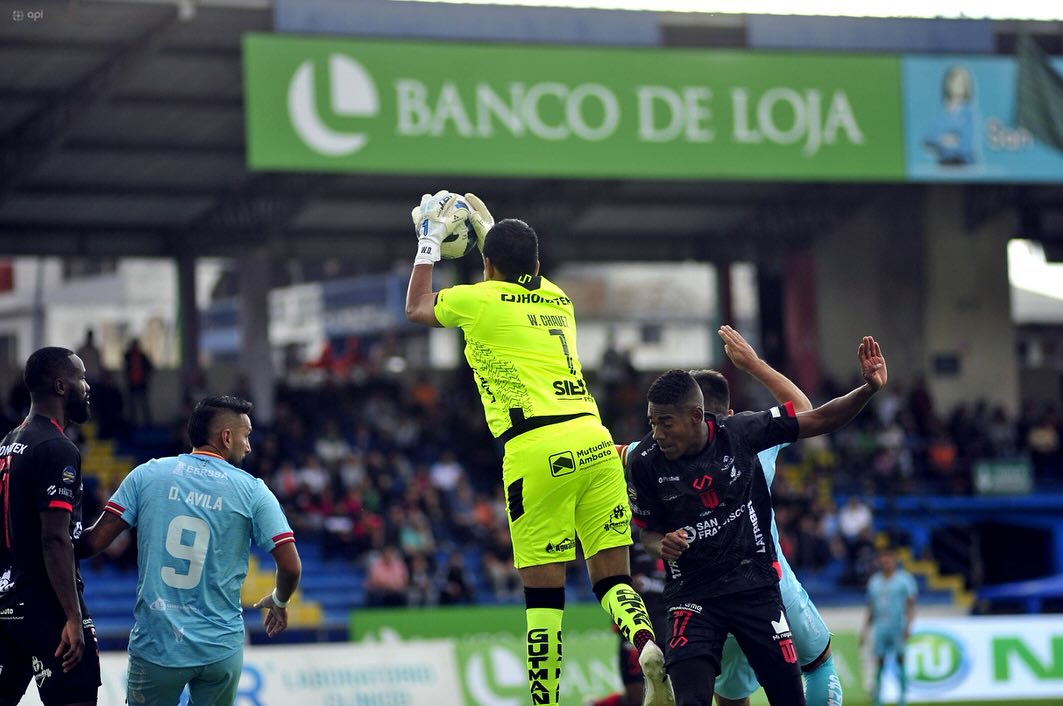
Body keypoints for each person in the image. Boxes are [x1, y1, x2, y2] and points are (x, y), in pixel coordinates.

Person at [405, 190, 672, 706]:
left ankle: (545, 701)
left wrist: (429, 242)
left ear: (485, 266)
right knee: (613, 577)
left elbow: (417, 306)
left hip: (535, 447)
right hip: (595, 438)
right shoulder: (558, 300)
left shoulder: (477, 300)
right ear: (538, 263)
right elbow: (516, 272)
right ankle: (645, 642)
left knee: (543, 599)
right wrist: (489, 230)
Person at [629, 336, 887, 706]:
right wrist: (753, 364)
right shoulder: (733, 438)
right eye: (653, 424)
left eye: (665, 423)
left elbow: (612, 450)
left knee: (732, 695)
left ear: (700, 417)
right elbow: (806, 410)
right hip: (723, 593)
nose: (658, 433)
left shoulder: (738, 436)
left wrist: (866, 390)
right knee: (817, 664)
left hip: (755, 587)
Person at [76, 395, 301, 706]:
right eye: (246, 436)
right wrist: (279, 600)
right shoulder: (254, 490)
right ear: (226, 437)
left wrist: (49, 541)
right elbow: (290, 567)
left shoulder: (148, 474)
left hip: (158, 646)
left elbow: (92, 542)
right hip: (220, 648)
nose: (249, 446)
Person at [0, 346, 99, 706]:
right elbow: (55, 539)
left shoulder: (8, 443)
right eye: (81, 377)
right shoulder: (57, 447)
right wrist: (72, 616)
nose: (87, 386)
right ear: (61, 386)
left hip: (8, 603)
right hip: (49, 606)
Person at [862, 548, 917, 706]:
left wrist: (908, 625)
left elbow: (911, 606)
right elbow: (871, 608)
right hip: (880, 628)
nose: (886, 563)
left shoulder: (904, 581)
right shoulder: (874, 582)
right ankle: (878, 699)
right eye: (883, 560)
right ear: (880, 562)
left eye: (889, 560)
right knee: (879, 662)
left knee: (900, 660)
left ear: (894, 561)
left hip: (897, 627)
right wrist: (865, 629)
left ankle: (902, 698)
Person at [122, 338, 154, 426]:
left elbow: (150, 367)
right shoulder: (128, 357)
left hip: (141, 385)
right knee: (132, 406)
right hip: (132, 385)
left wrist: (146, 378)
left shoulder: (142, 356)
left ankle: (148, 424)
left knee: (144, 405)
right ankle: (133, 424)